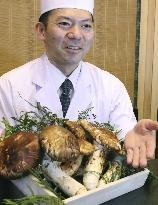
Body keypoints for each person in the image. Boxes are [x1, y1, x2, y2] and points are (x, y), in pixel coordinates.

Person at [0, 0, 157, 168]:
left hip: (97, 192)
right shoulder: (9, 86)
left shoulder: (111, 86)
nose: (76, 34)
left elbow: (124, 134)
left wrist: (130, 135)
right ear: (41, 31)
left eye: (86, 26)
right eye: (64, 24)